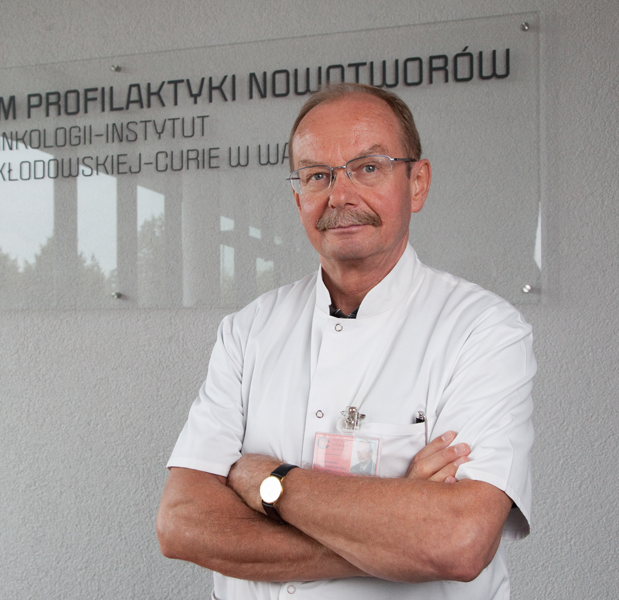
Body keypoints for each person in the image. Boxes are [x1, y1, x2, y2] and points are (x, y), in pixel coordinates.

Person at [156, 83, 535, 600]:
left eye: (369, 167)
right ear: (298, 197)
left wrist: (268, 482)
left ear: (417, 183)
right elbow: (180, 523)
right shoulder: (248, 331)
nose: (340, 196)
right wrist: (395, 535)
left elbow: (459, 542)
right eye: (318, 175)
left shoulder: (483, 331)